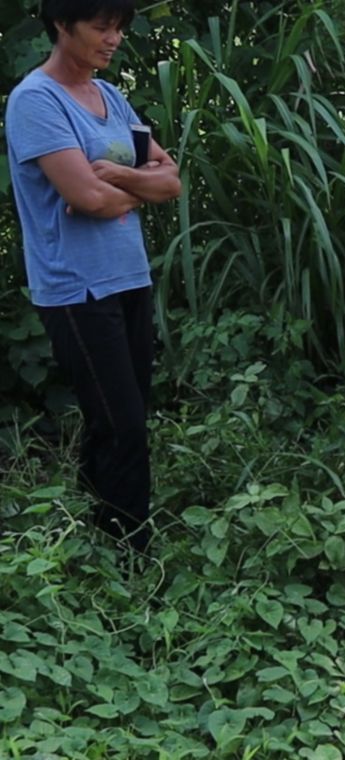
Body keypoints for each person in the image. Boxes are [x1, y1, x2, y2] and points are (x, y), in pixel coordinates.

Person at [6, 0, 181, 554]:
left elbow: (171, 178)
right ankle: (133, 553)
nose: (114, 40)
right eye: (101, 27)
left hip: (128, 276)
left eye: (120, 28)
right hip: (77, 286)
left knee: (119, 416)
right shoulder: (35, 100)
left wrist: (118, 180)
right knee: (122, 422)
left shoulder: (108, 95)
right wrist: (129, 188)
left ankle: (95, 533)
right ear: (62, 24)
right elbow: (85, 196)